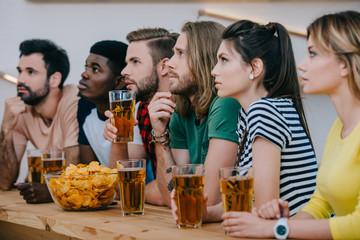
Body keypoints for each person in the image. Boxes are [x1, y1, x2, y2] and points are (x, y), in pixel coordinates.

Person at [221, 11, 360, 239]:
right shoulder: (340, 126)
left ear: (344, 65)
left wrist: (275, 228)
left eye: (313, 54)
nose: (302, 65)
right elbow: (320, 204)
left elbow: (357, 225)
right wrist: (281, 225)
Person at [171, 19, 318, 224]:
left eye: (224, 60)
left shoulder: (264, 111)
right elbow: (248, 201)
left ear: (254, 68)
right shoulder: (249, 114)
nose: (214, 70)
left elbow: (266, 209)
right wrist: (206, 213)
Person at [148, 21, 241, 207]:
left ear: (205, 60)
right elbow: (172, 196)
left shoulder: (226, 104)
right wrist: (159, 132)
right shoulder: (182, 109)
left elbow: (206, 201)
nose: (170, 63)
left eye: (180, 54)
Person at [103, 28, 178, 205]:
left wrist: (135, 190)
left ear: (164, 66)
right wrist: (117, 138)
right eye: (127, 62)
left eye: (135, 62)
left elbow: (174, 190)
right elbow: (118, 186)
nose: (124, 71)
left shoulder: (184, 110)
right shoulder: (141, 109)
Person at [0, 39, 79, 203]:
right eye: (19, 71)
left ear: (55, 79)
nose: (20, 79)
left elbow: (74, 168)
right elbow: (5, 182)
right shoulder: (22, 107)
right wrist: (5, 129)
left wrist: (48, 190)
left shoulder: (72, 100)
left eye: (31, 72)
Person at [77, 40, 144, 167]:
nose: (84, 74)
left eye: (95, 69)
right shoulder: (84, 107)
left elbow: (126, 170)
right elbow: (90, 169)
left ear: (119, 82)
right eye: (86, 67)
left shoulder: (136, 110)